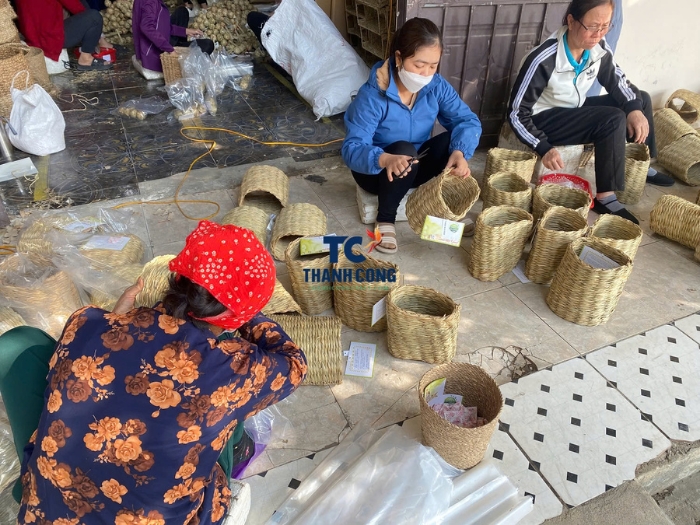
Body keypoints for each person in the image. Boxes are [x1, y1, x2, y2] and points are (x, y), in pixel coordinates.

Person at [0, 221, 307, 524]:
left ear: (178, 278)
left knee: (22, 347)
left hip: (46, 515)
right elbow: (294, 363)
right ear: (233, 313)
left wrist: (114, 319)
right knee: (221, 418)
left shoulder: (86, 322)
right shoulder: (234, 369)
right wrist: (244, 312)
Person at [508, 0, 674, 225]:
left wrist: (634, 109)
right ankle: (606, 196)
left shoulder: (597, 48)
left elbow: (618, 82)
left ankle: (641, 166)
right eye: (593, 26)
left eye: (605, 26)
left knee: (640, 99)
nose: (599, 34)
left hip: (573, 109)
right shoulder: (544, 59)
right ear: (571, 21)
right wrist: (543, 147)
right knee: (612, 119)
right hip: (544, 118)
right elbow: (517, 113)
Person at [341, 17, 482, 253]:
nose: (426, 73)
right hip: (376, 172)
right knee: (404, 150)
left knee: (452, 142)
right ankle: (385, 219)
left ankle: (439, 212)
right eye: (419, 65)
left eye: (433, 66)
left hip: (414, 164)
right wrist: (384, 159)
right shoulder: (373, 96)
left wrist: (460, 152)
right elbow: (352, 148)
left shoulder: (436, 86)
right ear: (399, 58)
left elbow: (467, 120)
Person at [15, 0, 114, 71]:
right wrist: (94, 31)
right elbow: (76, 7)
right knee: (94, 17)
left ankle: (101, 41)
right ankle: (86, 58)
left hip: (32, 35)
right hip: (49, 38)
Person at [132, 0, 213, 76]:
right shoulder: (151, 2)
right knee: (208, 45)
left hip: (153, 46)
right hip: (155, 56)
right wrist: (170, 50)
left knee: (182, 11)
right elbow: (147, 27)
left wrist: (186, 31)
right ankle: (178, 47)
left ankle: (179, 44)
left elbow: (162, 27)